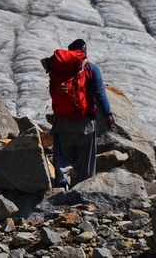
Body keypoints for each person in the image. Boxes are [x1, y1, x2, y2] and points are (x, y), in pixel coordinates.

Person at [42, 38, 115, 190]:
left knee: (62, 156)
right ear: (84, 52)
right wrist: (108, 114)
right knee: (85, 162)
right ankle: (85, 191)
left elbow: (53, 90)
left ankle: (62, 183)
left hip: (62, 121)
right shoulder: (90, 68)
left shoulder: (58, 68)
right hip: (85, 122)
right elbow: (99, 92)